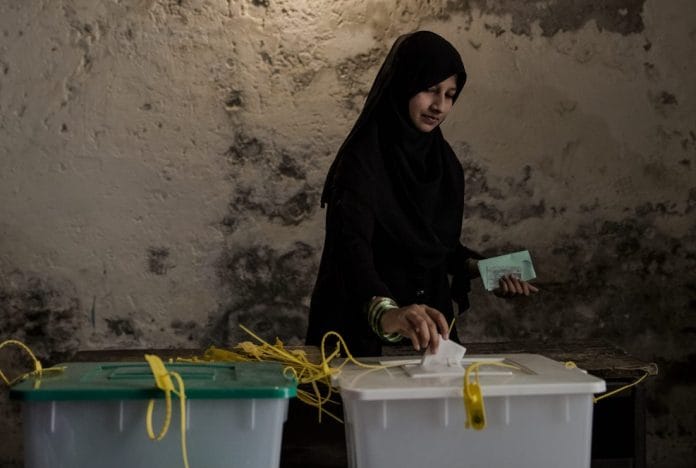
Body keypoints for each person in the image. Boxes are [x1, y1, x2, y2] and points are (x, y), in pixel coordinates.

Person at [306, 31, 537, 357]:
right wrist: (388, 312)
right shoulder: (362, 161)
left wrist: (490, 271)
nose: (439, 106)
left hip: (430, 336)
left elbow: (439, 250)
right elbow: (352, 253)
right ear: (404, 82)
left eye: (450, 94)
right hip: (359, 337)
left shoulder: (444, 165)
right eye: (430, 89)